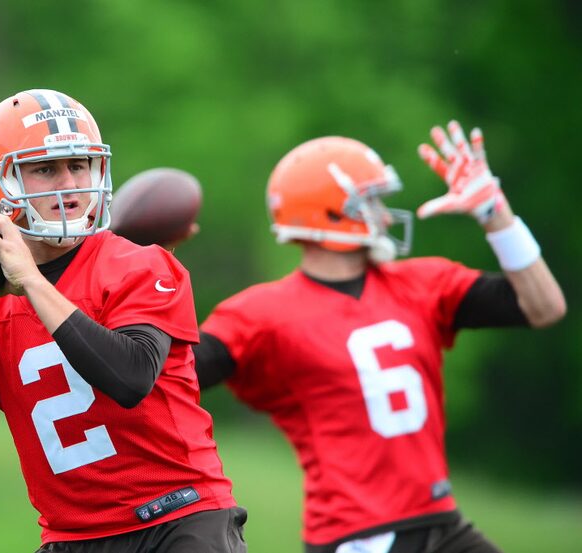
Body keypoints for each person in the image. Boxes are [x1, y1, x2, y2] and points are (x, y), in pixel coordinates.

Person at [0, 89, 246, 552]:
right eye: (45, 169)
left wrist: (31, 283)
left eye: (79, 165)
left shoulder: (140, 265)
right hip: (72, 537)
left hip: (177, 519)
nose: (68, 182)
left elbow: (129, 378)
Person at [193, 122, 566, 553]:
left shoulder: (424, 284)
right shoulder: (260, 315)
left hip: (442, 523)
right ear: (329, 212)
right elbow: (168, 379)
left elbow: (545, 307)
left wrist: (496, 215)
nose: (386, 216)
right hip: (358, 536)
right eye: (370, 203)